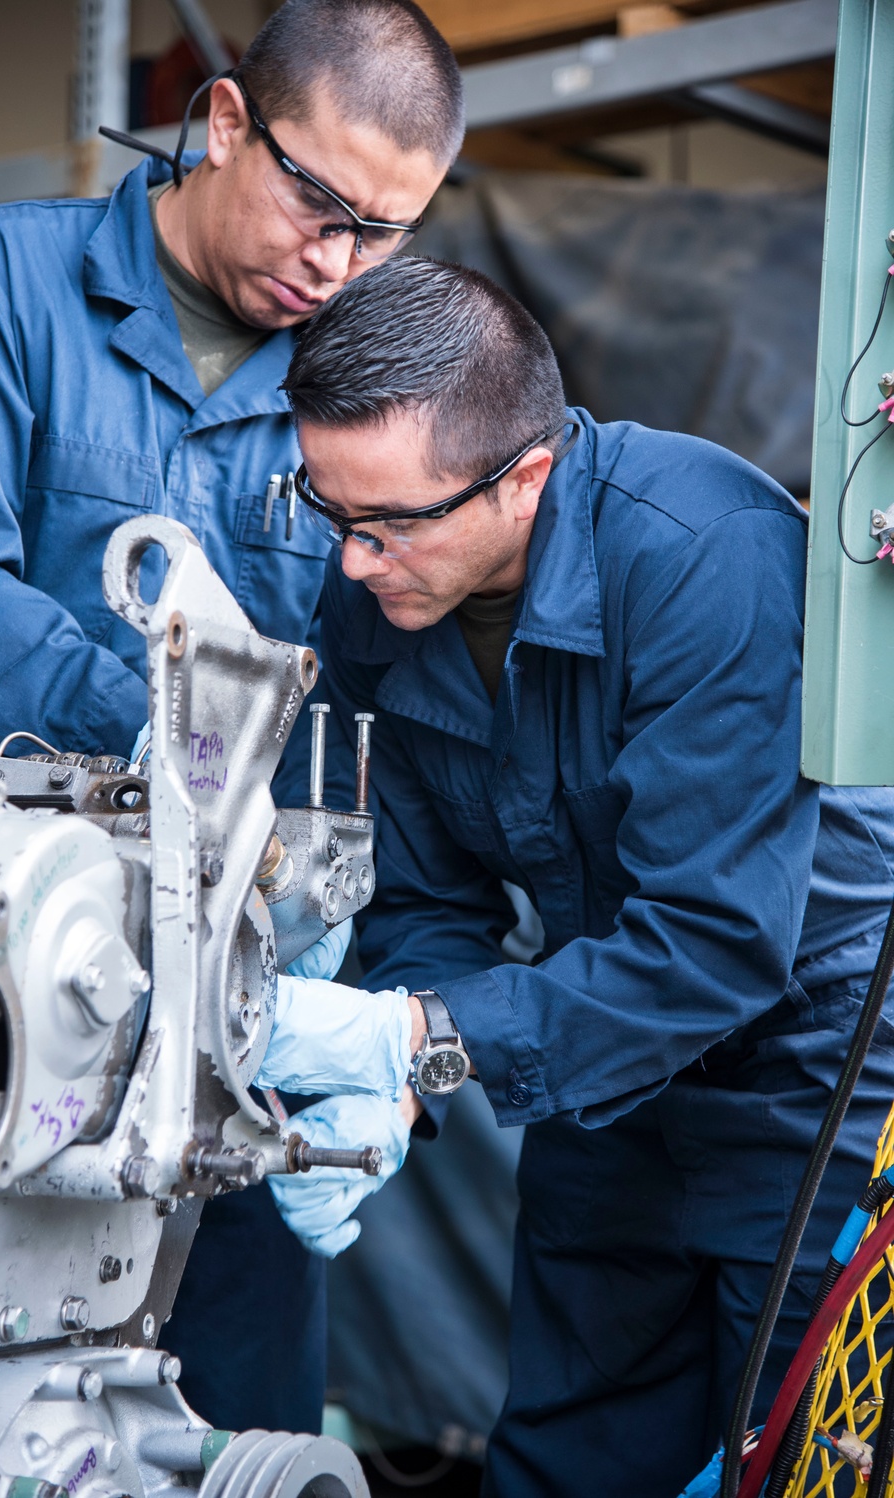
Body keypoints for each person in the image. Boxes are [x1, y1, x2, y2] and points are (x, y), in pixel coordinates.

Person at [0, 0, 463, 1437]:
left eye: (383, 234)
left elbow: (388, 744)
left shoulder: (368, 402)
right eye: (318, 202)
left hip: (235, 1030)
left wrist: (377, 1059)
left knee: (237, 1435)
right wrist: (192, 734)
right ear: (221, 123)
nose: (336, 265)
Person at [257, 256, 894, 1496]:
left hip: (812, 1069)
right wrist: (399, 1088)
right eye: (330, 514)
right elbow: (425, 897)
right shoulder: (379, 598)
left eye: (388, 523)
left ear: (525, 477)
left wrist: (413, 1036)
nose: (351, 563)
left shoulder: (704, 554)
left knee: (797, 1448)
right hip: (607, 1056)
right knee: (564, 1448)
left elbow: (716, 939)